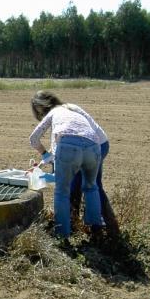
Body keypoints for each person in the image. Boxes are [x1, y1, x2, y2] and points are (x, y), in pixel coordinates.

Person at [28, 90, 102, 239]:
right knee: (91, 187)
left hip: (69, 146)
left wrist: (45, 155)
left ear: (41, 108)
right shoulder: (72, 109)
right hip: (94, 145)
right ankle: (96, 231)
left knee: (62, 192)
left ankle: (62, 236)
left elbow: (34, 139)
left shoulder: (53, 112)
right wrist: (44, 163)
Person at [67, 103, 120, 235]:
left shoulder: (64, 116)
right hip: (95, 144)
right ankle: (73, 224)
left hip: (95, 146)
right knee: (77, 183)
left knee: (91, 185)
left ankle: (105, 226)